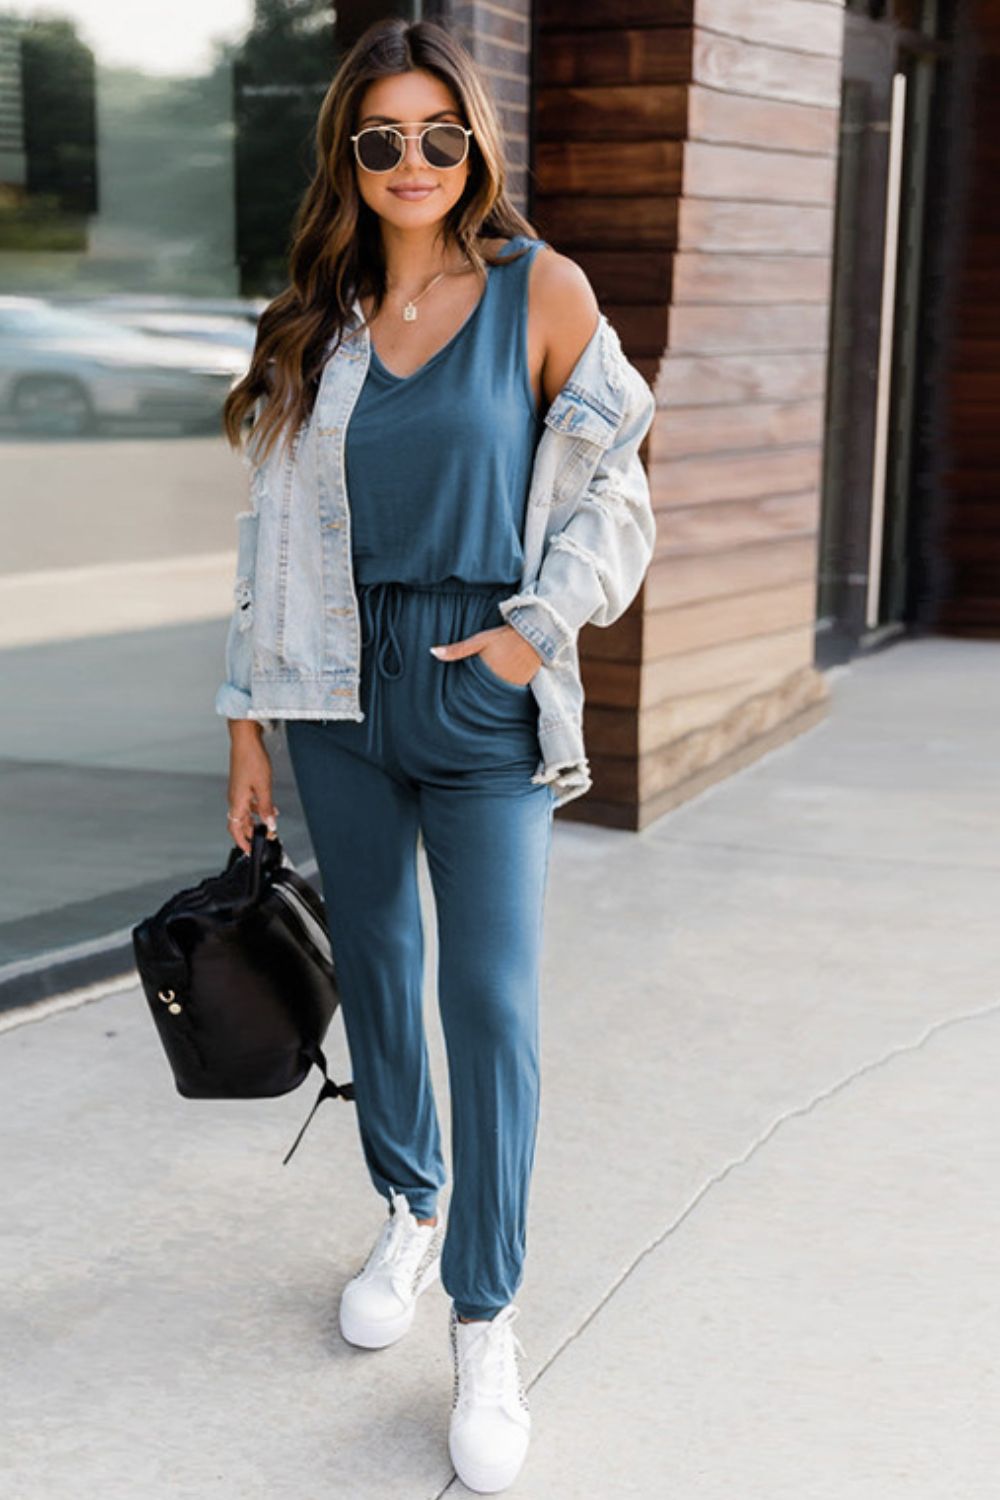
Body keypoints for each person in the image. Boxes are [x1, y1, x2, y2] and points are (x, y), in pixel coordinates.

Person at [217, 16, 656, 1495]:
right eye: (382, 140)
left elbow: (618, 496)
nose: (414, 163)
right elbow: (263, 542)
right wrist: (247, 724)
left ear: (476, 145)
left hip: (481, 680)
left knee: (493, 1004)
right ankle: (407, 1205)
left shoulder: (544, 288)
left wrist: (535, 631)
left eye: (439, 136)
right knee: (384, 977)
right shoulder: (315, 319)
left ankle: (486, 1316)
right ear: (349, 157)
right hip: (332, 690)